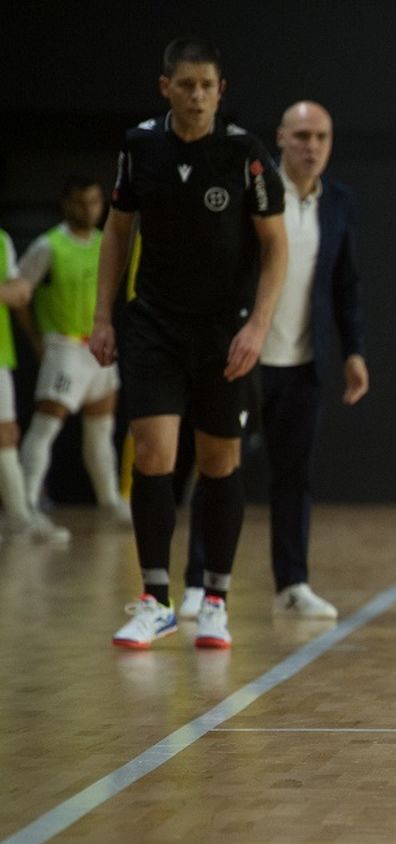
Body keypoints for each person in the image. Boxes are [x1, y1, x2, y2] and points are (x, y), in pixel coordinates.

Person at [91, 37, 288, 650]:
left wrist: (257, 326)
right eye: (186, 85)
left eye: (207, 86)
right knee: (153, 454)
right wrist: (104, 316)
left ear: (220, 91)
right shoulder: (140, 146)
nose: (197, 96)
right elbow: (117, 232)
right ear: (166, 88)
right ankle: (156, 599)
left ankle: (216, 599)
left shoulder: (245, 154)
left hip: (224, 330)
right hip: (154, 324)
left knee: (219, 461)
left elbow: (276, 247)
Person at [176, 100, 366, 622]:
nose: (312, 147)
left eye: (322, 137)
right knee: (219, 470)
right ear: (280, 139)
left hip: (304, 364)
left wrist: (353, 351)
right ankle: (198, 583)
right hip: (245, 358)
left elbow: (345, 285)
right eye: (302, 136)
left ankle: (292, 584)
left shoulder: (339, 203)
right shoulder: (254, 192)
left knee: (294, 477)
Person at [5, 176, 130, 530]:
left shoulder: (106, 243)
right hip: (65, 347)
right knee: (46, 426)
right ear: (66, 204)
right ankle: (27, 504)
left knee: (101, 429)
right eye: (81, 202)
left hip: (99, 348)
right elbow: (20, 292)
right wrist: (37, 339)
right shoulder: (49, 245)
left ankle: (109, 501)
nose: (88, 209)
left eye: (94, 201)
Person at [1, 228, 68, 542]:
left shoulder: (3, 240)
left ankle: (19, 519)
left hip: (1, 356)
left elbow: (20, 293)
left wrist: (11, 291)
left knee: (6, 434)